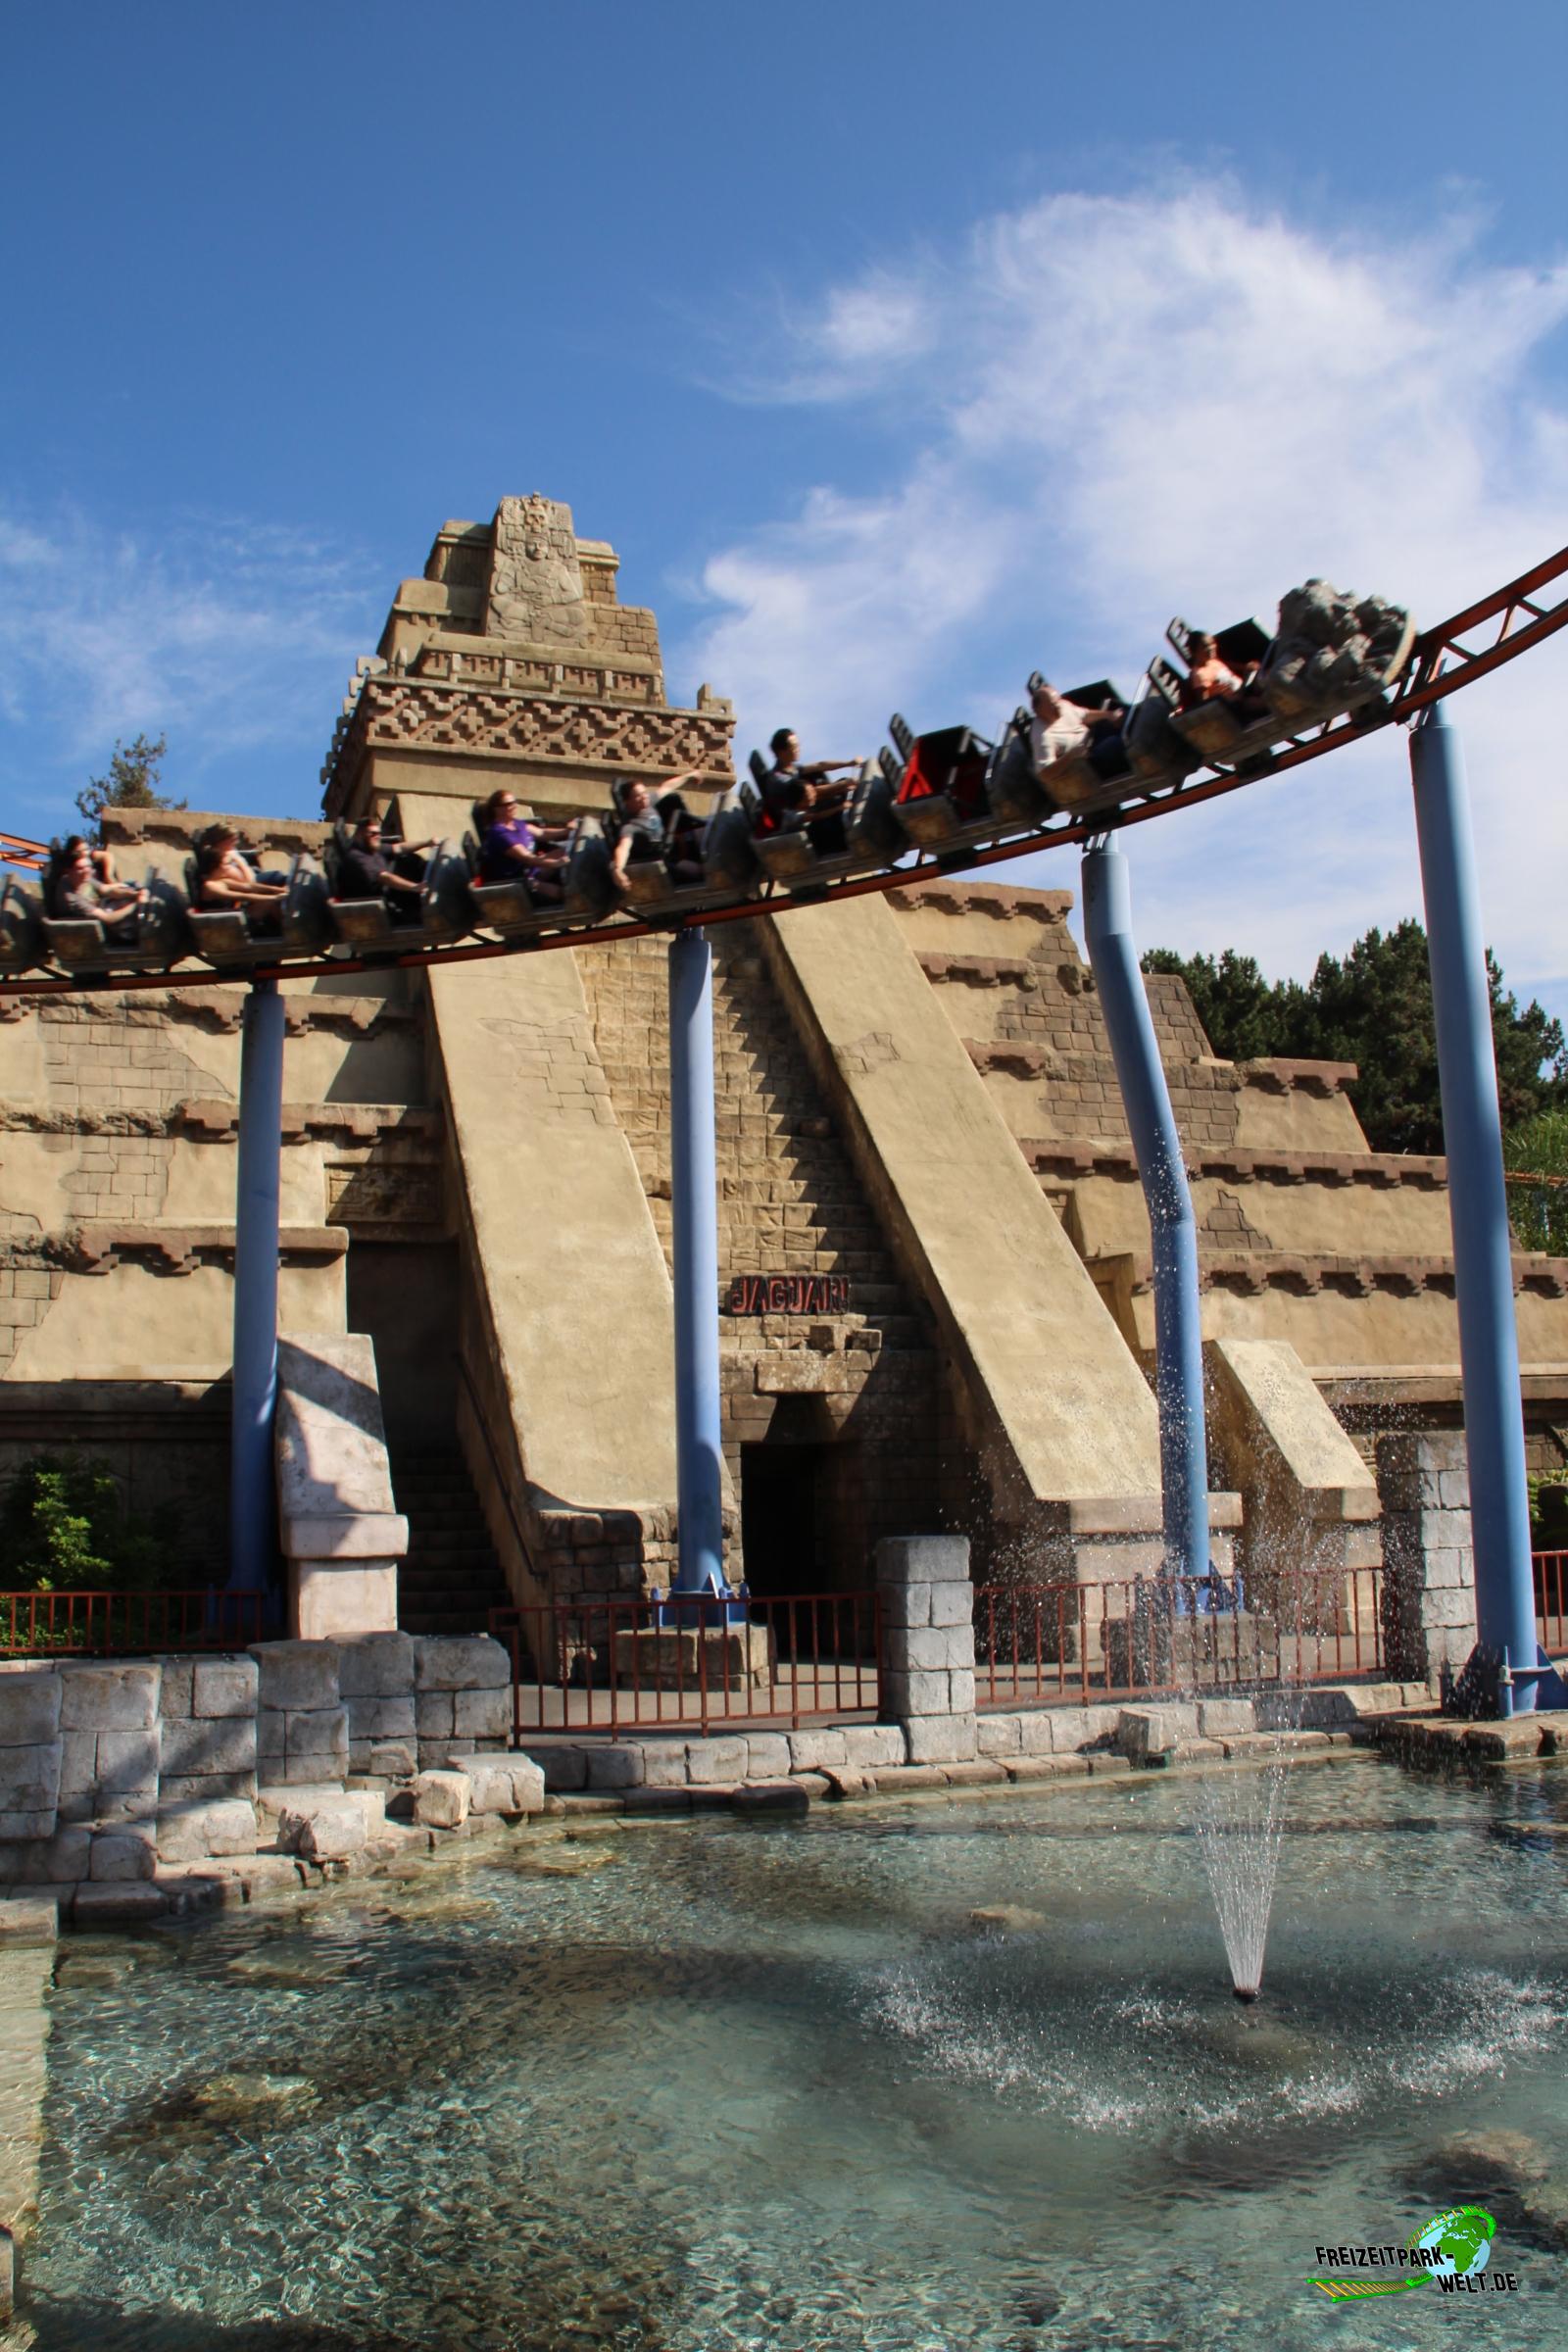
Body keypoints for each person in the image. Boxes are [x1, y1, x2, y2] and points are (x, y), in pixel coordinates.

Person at [1028, 682, 1130, 783]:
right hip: (1088, 761)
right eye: (1054, 705)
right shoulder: (1043, 737)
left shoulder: (1062, 705)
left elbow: (1085, 715)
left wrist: (1109, 715)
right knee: (1115, 743)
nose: (1059, 706)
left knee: (1125, 714)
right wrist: (1071, 755)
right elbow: (1044, 774)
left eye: (1058, 700)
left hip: (1093, 737)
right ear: (1039, 711)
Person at [477, 790, 568, 901]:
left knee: (565, 851)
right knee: (563, 893)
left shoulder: (515, 823)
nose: (514, 806)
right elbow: (527, 858)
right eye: (508, 804)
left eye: (514, 802)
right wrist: (556, 863)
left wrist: (567, 830)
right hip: (519, 882)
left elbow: (542, 833)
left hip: (531, 869)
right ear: (496, 809)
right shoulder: (499, 834)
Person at [50, 837, 147, 938]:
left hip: (102, 906)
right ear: (69, 870)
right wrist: (136, 904)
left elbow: (105, 890)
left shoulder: (83, 875)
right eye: (80, 868)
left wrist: (135, 894)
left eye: (88, 866)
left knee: (131, 887)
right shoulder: (71, 898)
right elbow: (106, 918)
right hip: (99, 927)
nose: (86, 870)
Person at [196, 828, 290, 931]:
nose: (229, 868)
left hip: (235, 914)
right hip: (227, 922)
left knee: (270, 899)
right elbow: (244, 895)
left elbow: (249, 887)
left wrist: (278, 890)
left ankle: (281, 928)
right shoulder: (210, 886)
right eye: (226, 865)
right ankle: (287, 929)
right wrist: (275, 897)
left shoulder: (222, 881)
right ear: (216, 867)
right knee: (269, 902)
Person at [337, 816, 425, 925]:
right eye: (372, 834)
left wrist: (427, 843)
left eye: (378, 833)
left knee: (411, 859)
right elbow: (384, 877)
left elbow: (399, 848)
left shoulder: (372, 848)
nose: (377, 837)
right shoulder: (355, 856)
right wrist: (414, 887)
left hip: (387, 893)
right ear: (360, 835)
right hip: (378, 906)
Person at [1180, 632, 1268, 722]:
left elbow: (1233, 667)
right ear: (1195, 652)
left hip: (1244, 689)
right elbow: (1205, 705)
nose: (1211, 648)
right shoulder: (1199, 674)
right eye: (1205, 646)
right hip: (1236, 704)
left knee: (1266, 678)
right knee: (1259, 703)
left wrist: (1248, 667)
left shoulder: (1213, 661)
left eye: (1212, 644)